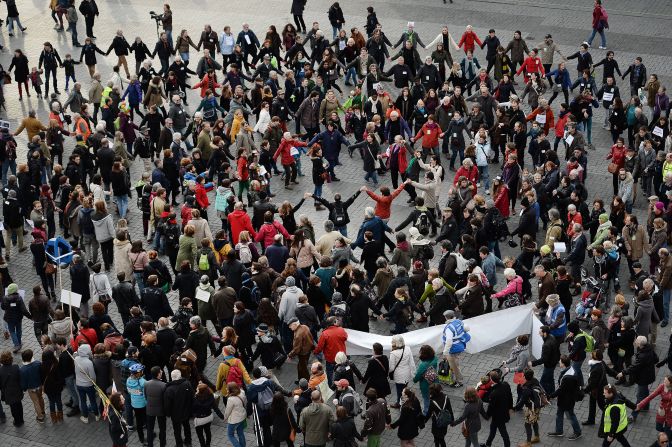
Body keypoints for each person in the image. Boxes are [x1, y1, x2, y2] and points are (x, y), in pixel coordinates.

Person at [548, 355, 582, 440]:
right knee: (559, 414)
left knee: (570, 415)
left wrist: (550, 396)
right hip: (565, 398)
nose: (559, 362)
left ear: (563, 364)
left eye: (560, 361)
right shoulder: (570, 369)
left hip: (567, 400)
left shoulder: (568, 377)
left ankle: (577, 432)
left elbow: (561, 390)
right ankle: (559, 431)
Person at [484, 370, 513, 447]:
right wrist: (510, 407)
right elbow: (510, 397)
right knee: (493, 429)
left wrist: (487, 415)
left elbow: (491, 406)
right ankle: (488, 443)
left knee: (502, 431)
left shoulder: (494, 393)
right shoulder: (506, 385)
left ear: (492, 380)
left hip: (498, 416)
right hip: (504, 412)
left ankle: (506, 445)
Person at [441, 310, 470, 388]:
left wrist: (445, 352)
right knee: (454, 364)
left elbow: (449, 342)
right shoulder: (459, 321)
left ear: (446, 317)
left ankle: (459, 381)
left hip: (453, 349)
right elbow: (466, 329)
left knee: (454, 366)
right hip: (459, 346)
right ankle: (454, 378)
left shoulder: (449, 328)